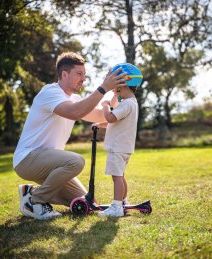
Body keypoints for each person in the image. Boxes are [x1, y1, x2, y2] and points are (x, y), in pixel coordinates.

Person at [13, 52, 128, 220]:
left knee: (87, 202)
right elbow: (75, 112)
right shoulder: (50, 93)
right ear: (64, 74)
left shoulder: (74, 98)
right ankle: (34, 202)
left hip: (50, 163)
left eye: (85, 75)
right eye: (79, 74)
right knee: (76, 161)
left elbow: (100, 116)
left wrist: (115, 94)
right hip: (28, 158)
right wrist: (103, 88)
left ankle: (30, 192)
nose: (83, 79)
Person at [92, 63, 143, 217]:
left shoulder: (127, 104)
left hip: (118, 147)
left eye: (115, 86)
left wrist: (106, 105)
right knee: (120, 175)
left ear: (124, 84)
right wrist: (100, 125)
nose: (113, 90)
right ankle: (123, 202)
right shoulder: (130, 103)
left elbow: (110, 117)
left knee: (117, 177)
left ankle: (116, 207)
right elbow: (114, 122)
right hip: (123, 147)